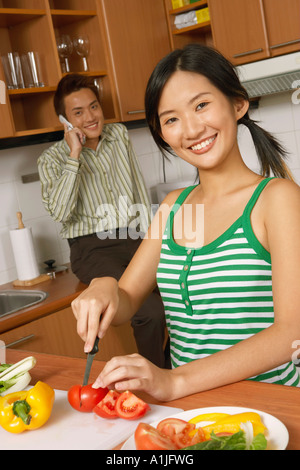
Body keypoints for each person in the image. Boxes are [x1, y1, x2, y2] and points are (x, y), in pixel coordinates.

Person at [71, 45, 300, 402]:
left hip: (269, 406)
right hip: (189, 411)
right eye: (171, 118)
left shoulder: (276, 199)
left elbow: (292, 332)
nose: (191, 129)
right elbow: (128, 300)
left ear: (238, 104)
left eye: (201, 105)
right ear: (162, 132)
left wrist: (173, 381)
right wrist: (103, 285)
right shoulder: (175, 208)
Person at [37, 74, 169, 369]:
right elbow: (60, 212)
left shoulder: (118, 135)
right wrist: (75, 154)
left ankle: (173, 368)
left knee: (182, 297)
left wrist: (153, 237)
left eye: (93, 107)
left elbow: (136, 186)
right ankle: (155, 380)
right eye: (78, 113)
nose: (90, 117)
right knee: (150, 311)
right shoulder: (51, 159)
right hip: (92, 249)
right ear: (64, 120)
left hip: (136, 238)